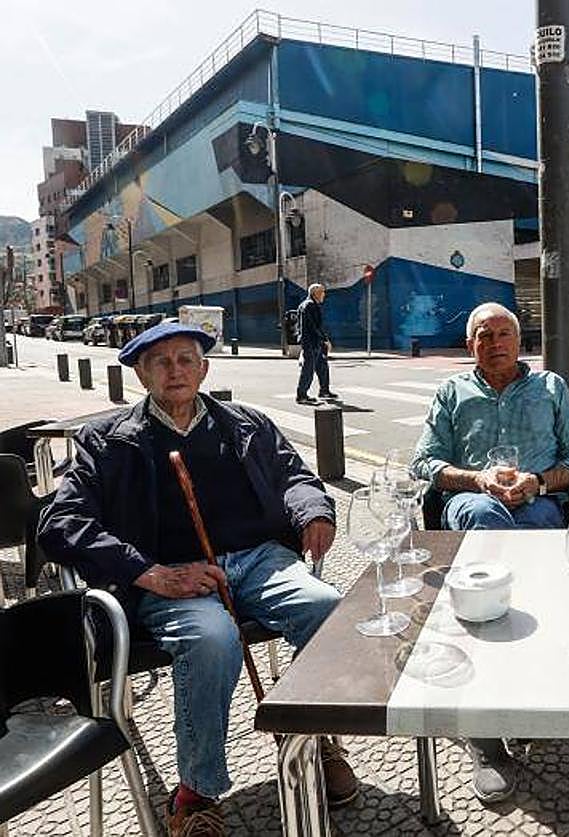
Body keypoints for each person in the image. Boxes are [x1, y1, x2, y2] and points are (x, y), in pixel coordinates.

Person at [37, 322, 357, 837]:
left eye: (185, 359)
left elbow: (294, 476)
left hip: (258, 559)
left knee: (328, 608)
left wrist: (313, 511)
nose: (175, 371)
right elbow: (60, 522)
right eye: (161, 363)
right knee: (212, 639)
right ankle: (196, 792)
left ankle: (309, 738)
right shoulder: (106, 441)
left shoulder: (246, 423)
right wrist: (147, 572)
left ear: (204, 369)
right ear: (142, 376)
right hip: (171, 575)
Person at [410, 301, 569, 802]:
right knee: (484, 519)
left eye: (503, 334)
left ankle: (524, 686)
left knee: (532, 536)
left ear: (519, 339)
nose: (495, 344)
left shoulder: (550, 388)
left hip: (540, 503)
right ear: (470, 344)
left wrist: (538, 481)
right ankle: (486, 734)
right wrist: (477, 479)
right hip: (473, 503)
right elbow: (423, 462)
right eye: (484, 335)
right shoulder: (452, 391)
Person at [296, 282, 336, 405]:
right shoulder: (310, 305)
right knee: (308, 369)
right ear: (315, 293)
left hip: (313, 342)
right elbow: (314, 326)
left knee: (322, 367)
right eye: (322, 292)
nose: (324, 294)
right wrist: (325, 340)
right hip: (312, 342)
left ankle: (324, 391)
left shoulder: (304, 305)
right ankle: (301, 395)